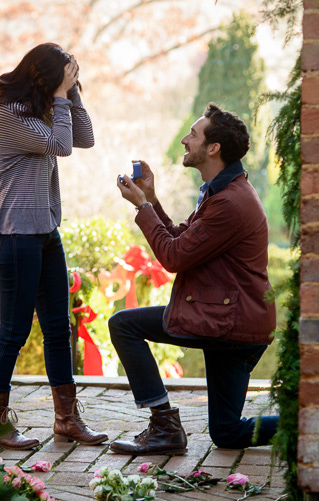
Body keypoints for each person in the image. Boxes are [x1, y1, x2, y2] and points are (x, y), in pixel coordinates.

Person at [110, 103, 278, 455]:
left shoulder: (229, 202)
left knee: (124, 325)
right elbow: (179, 241)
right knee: (228, 433)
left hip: (230, 326)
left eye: (194, 134)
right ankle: (308, 421)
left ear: (213, 148)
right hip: (230, 321)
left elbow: (172, 257)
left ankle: (164, 427)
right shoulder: (221, 192)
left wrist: (142, 208)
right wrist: (152, 199)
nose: (186, 140)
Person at [0, 43, 107, 450]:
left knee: (57, 327)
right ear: (43, 79)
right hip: (15, 236)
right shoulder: (6, 114)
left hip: (45, 232)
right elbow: (62, 146)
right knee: (13, 332)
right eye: (64, 77)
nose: (67, 86)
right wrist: (62, 98)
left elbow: (84, 138)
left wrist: (73, 92)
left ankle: (66, 420)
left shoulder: (40, 111)